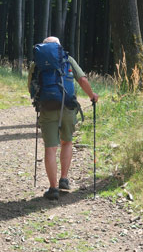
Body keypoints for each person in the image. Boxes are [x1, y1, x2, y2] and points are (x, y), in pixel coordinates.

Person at [28, 36, 99, 200]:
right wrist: (92, 95)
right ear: (59, 47)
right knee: (67, 142)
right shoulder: (67, 59)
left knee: (50, 148)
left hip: (47, 108)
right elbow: (82, 79)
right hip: (67, 106)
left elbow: (31, 88)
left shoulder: (36, 63)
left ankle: (52, 189)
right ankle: (64, 180)